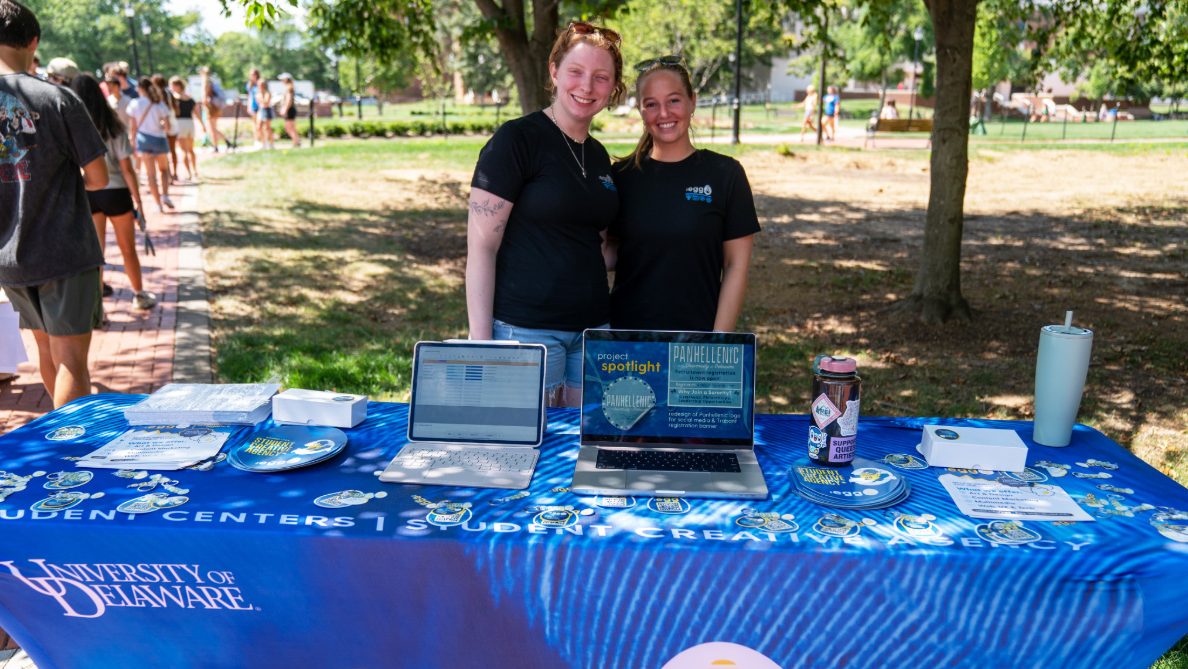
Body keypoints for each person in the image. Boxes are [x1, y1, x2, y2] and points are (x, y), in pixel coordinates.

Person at [466, 20, 625, 407]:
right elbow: (482, 247)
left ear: (613, 88)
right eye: (576, 72)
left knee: (585, 442)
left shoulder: (599, 155)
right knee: (529, 442)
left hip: (592, 331)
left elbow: (593, 246)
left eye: (601, 77)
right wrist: (481, 346)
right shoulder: (516, 140)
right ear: (554, 72)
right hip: (526, 331)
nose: (587, 86)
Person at [0, 0, 109, 408]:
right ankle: (72, 443)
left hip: (10, 256)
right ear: (33, 42)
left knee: (46, 352)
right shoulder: (58, 98)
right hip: (64, 251)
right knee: (71, 361)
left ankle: (63, 432)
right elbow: (99, 177)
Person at [607, 56, 758, 333]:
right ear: (640, 110)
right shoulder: (620, 177)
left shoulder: (726, 174)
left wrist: (717, 342)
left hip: (697, 340)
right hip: (627, 341)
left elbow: (735, 266)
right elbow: (604, 252)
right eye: (651, 104)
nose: (663, 113)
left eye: (674, 100)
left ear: (692, 102)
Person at [69, 74, 156, 311]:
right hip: (116, 192)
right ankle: (139, 295)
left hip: (89, 192)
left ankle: (99, 309)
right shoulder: (114, 127)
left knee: (96, 254)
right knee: (128, 249)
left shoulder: (73, 128)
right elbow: (127, 168)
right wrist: (138, 201)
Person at [127, 76, 173, 213]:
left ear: (140, 88)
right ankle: (165, 195)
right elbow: (168, 127)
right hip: (159, 140)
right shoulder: (159, 103)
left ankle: (158, 203)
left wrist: (132, 142)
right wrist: (160, 126)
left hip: (144, 141)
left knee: (150, 175)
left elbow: (133, 127)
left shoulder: (134, 103)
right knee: (164, 170)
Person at [169, 76, 197, 179]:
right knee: (191, 150)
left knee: (184, 150)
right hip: (190, 123)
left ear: (177, 86)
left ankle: (189, 173)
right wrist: (202, 125)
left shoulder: (174, 99)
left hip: (180, 124)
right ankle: (195, 171)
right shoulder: (190, 98)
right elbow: (196, 112)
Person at [152, 73, 179, 182]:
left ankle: (168, 175)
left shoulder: (156, 96)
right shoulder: (170, 93)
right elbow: (177, 109)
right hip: (173, 122)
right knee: (172, 150)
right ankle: (174, 173)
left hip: (162, 124)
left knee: (163, 152)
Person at [198, 66, 226, 151]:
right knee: (213, 127)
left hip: (210, 107)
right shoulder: (212, 81)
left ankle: (216, 146)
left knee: (211, 128)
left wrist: (204, 106)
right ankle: (225, 141)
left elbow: (204, 96)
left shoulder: (205, 82)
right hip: (215, 106)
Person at [278, 72, 300, 148]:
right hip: (290, 110)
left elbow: (289, 100)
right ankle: (296, 142)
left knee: (289, 127)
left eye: (282, 79)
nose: (281, 81)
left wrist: (285, 109)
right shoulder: (289, 87)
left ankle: (296, 142)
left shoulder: (289, 88)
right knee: (291, 127)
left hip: (289, 110)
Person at [256, 77, 275, 149]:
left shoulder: (267, 93)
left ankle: (271, 143)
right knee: (259, 127)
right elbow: (260, 102)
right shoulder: (258, 93)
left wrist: (261, 99)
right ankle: (263, 143)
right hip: (261, 110)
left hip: (267, 110)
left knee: (267, 128)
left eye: (261, 84)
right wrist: (261, 99)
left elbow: (266, 102)